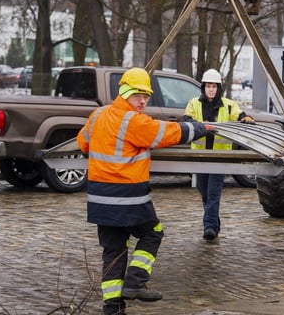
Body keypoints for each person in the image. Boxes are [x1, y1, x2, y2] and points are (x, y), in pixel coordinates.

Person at [77, 67, 213, 315]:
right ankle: (135, 282)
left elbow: (83, 142)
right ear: (125, 93)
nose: (143, 101)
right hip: (128, 197)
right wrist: (201, 128)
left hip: (99, 200)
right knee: (153, 233)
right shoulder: (134, 121)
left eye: (146, 96)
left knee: (113, 252)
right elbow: (170, 134)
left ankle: (113, 307)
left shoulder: (97, 115)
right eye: (138, 95)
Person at [182, 68, 254, 241]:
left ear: (219, 88)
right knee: (204, 191)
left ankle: (209, 227)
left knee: (213, 193)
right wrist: (198, 124)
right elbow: (186, 120)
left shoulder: (229, 105)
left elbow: (240, 115)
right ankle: (214, 222)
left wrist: (246, 118)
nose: (211, 89)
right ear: (203, 87)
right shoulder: (194, 103)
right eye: (208, 86)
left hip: (219, 157)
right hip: (199, 157)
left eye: (214, 86)